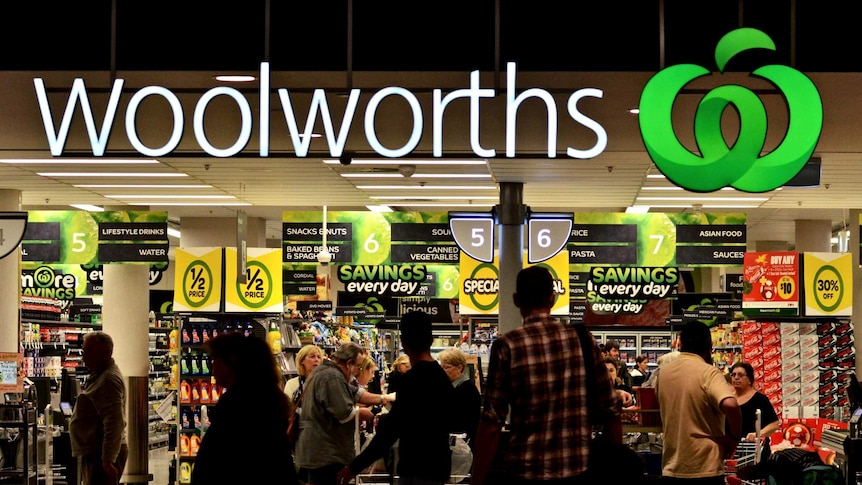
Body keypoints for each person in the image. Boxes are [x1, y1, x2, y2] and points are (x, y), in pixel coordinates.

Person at [471, 266, 621, 485]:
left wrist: (477, 480)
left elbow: (492, 423)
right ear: (552, 298)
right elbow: (611, 409)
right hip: (576, 470)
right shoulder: (581, 339)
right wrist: (614, 468)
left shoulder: (507, 345)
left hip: (525, 472)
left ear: (516, 300)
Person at [337, 311, 455, 485]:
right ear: (431, 340)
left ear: (403, 342)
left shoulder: (410, 380)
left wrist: (353, 469)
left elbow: (390, 432)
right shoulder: (442, 378)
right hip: (438, 467)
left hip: (415, 469)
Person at [191, 332, 298, 485]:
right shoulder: (268, 398)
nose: (213, 366)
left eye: (216, 359)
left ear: (232, 363)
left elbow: (219, 459)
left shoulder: (236, 404)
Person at [655, 321, 742, 484]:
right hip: (705, 467)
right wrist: (733, 438)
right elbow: (731, 404)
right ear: (710, 346)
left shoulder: (663, 373)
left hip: (672, 466)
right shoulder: (709, 372)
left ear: (680, 344)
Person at [294, 342, 392, 485]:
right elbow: (344, 413)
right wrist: (361, 413)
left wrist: (383, 398)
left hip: (317, 451)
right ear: (349, 363)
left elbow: (356, 393)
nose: (358, 371)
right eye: (358, 366)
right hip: (325, 454)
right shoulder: (332, 377)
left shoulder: (326, 372)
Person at [69, 332, 127, 485]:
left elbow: (115, 422)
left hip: (102, 455)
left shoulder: (108, 379)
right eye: (83, 350)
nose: (83, 356)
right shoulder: (100, 376)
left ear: (105, 353)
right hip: (97, 453)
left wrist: (108, 460)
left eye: (88, 350)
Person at [729, 362, 780, 451]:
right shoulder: (728, 399)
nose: (736, 378)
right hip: (732, 451)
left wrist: (758, 434)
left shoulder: (760, 399)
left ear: (749, 380)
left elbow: (774, 424)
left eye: (740, 375)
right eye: (733, 375)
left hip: (755, 452)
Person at [439, 347, 481, 445]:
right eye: (441, 368)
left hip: (462, 445)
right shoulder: (454, 387)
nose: (442, 371)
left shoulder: (467, 390)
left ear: (459, 367)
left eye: (446, 367)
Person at [284, 344, 324, 409]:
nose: (316, 360)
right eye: (312, 357)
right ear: (302, 361)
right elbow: (286, 408)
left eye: (319, 357)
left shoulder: (325, 383)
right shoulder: (292, 384)